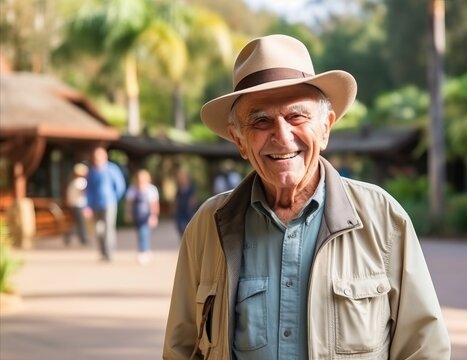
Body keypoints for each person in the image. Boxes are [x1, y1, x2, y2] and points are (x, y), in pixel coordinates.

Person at [163, 34, 450, 359]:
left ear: (325, 128)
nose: (282, 136)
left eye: (297, 116)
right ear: (239, 140)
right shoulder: (207, 226)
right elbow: (181, 350)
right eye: (261, 121)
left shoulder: (383, 218)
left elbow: (424, 348)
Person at [84, 146, 126, 262]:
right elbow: (89, 190)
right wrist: (87, 205)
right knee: (98, 229)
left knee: (108, 228)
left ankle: (109, 252)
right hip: (95, 205)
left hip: (109, 203)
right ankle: (102, 252)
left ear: (105, 157)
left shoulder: (112, 169)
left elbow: (120, 186)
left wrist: (114, 198)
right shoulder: (92, 172)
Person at [124, 169, 160, 264]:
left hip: (147, 215)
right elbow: (129, 203)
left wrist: (154, 216)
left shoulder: (151, 189)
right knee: (140, 233)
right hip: (137, 215)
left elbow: (154, 204)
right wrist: (128, 213)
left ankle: (143, 251)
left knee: (144, 232)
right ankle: (145, 250)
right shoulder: (133, 189)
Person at [64, 163, 89, 246]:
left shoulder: (72, 182)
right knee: (80, 223)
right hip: (79, 205)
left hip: (74, 205)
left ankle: (70, 235)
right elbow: (84, 192)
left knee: (77, 223)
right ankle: (83, 238)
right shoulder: (81, 182)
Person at [174, 167, 197, 238]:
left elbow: (193, 198)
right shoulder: (179, 188)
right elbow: (177, 199)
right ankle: (183, 237)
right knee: (179, 225)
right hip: (180, 210)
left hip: (188, 210)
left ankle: (187, 238)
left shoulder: (191, 187)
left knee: (189, 225)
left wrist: (191, 208)